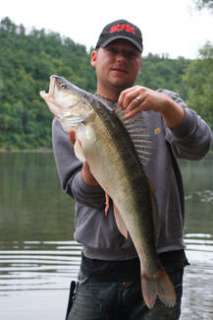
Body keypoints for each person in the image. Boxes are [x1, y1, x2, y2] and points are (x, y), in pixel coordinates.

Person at [52, 19, 212, 320]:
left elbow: (200, 146)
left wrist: (167, 107)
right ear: (94, 56)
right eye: (113, 50)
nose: (121, 58)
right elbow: (80, 192)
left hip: (163, 258)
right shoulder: (68, 122)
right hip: (99, 269)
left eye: (130, 52)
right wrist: (92, 165)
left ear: (139, 62)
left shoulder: (162, 104)